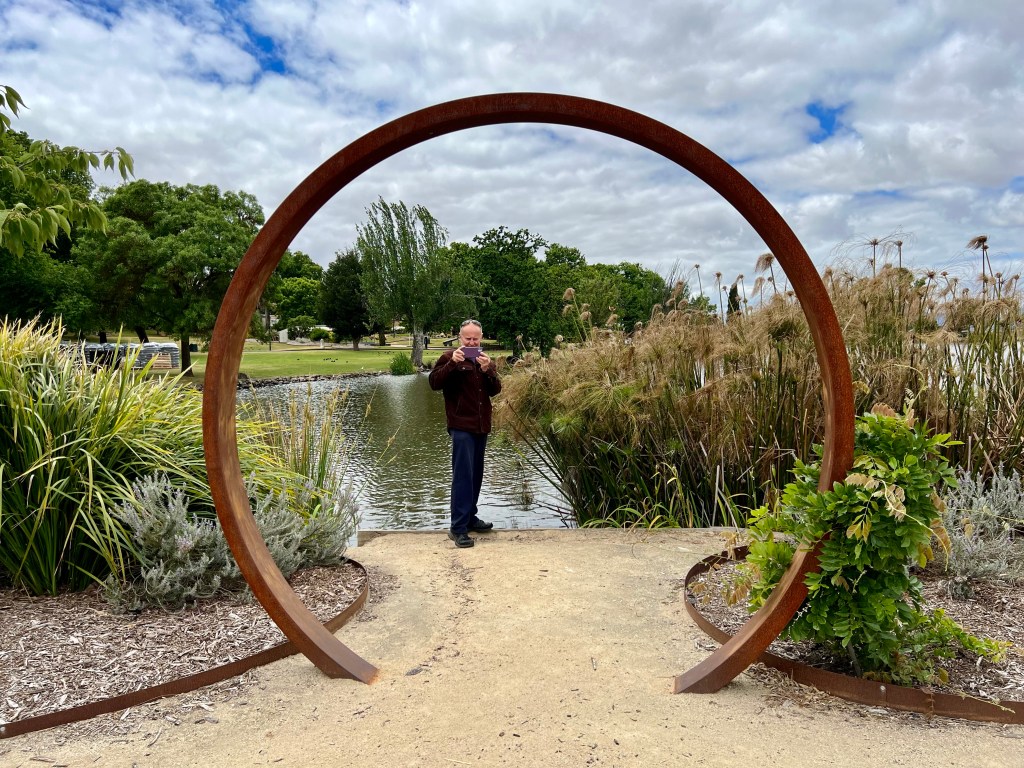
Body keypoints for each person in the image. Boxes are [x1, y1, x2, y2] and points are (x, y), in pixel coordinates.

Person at [428, 319, 502, 548]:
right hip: (460, 426)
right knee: (462, 476)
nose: (471, 342)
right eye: (467, 338)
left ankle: (470, 518)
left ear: (481, 338)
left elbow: (495, 390)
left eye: (475, 339)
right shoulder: (448, 357)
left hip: (481, 425)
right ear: (460, 338)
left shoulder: (484, 360)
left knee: (476, 475)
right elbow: (434, 383)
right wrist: (452, 363)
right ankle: (458, 528)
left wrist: (489, 370)